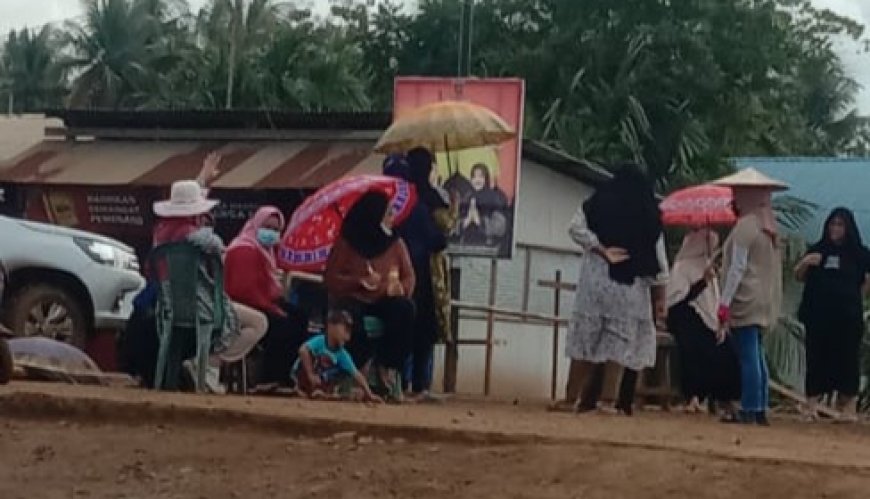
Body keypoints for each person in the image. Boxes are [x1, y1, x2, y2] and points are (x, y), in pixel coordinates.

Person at [565, 163, 668, 416]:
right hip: (630, 288)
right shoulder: (648, 214)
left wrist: (601, 249)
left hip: (594, 284)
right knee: (618, 345)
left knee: (584, 341)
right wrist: (660, 300)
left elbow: (575, 228)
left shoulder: (597, 203)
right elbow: (660, 263)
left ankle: (570, 399)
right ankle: (608, 401)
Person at [150, 178, 267, 393]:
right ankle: (210, 364)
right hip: (203, 307)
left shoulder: (159, 234)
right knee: (258, 323)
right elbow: (219, 249)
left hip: (168, 309)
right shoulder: (198, 236)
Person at [323, 191, 416, 401]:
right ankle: (359, 365)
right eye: (388, 213)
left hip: (385, 299)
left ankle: (388, 365)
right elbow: (330, 278)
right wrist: (358, 281)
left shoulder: (395, 243)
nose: (392, 218)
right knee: (349, 314)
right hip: (355, 298)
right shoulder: (347, 242)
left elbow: (409, 275)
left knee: (405, 309)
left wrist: (400, 287)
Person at [715, 169, 786, 425]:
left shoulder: (746, 227)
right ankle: (760, 407)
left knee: (748, 355)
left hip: (746, 297)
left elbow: (737, 268)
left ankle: (750, 406)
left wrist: (724, 303)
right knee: (755, 353)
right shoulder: (769, 227)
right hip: (764, 297)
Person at [796, 207, 870, 422]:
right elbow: (799, 276)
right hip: (818, 317)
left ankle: (848, 408)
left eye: (840, 225)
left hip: (847, 319)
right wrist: (806, 263)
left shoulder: (860, 253)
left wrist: (854, 299)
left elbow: (866, 281)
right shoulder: (818, 249)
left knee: (847, 360)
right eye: (832, 224)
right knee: (816, 359)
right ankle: (811, 405)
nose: (835, 229)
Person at [388, 149, 450, 400]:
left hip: (391, 272)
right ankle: (419, 384)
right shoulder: (421, 203)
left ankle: (399, 382)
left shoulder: (390, 201)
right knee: (423, 328)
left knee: (402, 327)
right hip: (421, 273)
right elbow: (437, 241)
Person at [225, 206, 306, 389]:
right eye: (267, 227)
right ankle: (269, 377)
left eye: (276, 230)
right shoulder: (243, 249)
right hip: (243, 303)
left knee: (300, 317)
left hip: (261, 301)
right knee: (284, 325)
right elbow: (242, 289)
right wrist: (272, 307)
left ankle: (285, 374)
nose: (271, 233)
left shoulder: (266, 252)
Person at [666, 229, 740, 415]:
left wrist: (720, 321)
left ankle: (723, 399)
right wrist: (703, 281)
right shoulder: (682, 266)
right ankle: (693, 397)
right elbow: (679, 299)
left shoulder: (707, 266)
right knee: (694, 349)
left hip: (707, 317)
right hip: (684, 316)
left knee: (726, 350)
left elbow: (714, 298)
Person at [293, 309, 383, 403]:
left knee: (337, 370)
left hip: (321, 379)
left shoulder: (342, 354)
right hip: (306, 375)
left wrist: (369, 394)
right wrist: (310, 374)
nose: (347, 337)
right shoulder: (320, 341)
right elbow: (303, 350)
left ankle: (319, 391)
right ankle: (302, 387)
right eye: (345, 330)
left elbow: (356, 374)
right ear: (331, 326)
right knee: (310, 356)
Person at [459, 163, 509, 249]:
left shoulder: (494, 198)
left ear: (486, 179)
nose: (477, 180)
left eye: (480, 177)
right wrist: (465, 222)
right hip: (464, 246)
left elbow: (501, 227)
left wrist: (480, 221)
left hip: (487, 247)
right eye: (474, 177)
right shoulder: (467, 198)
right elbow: (453, 224)